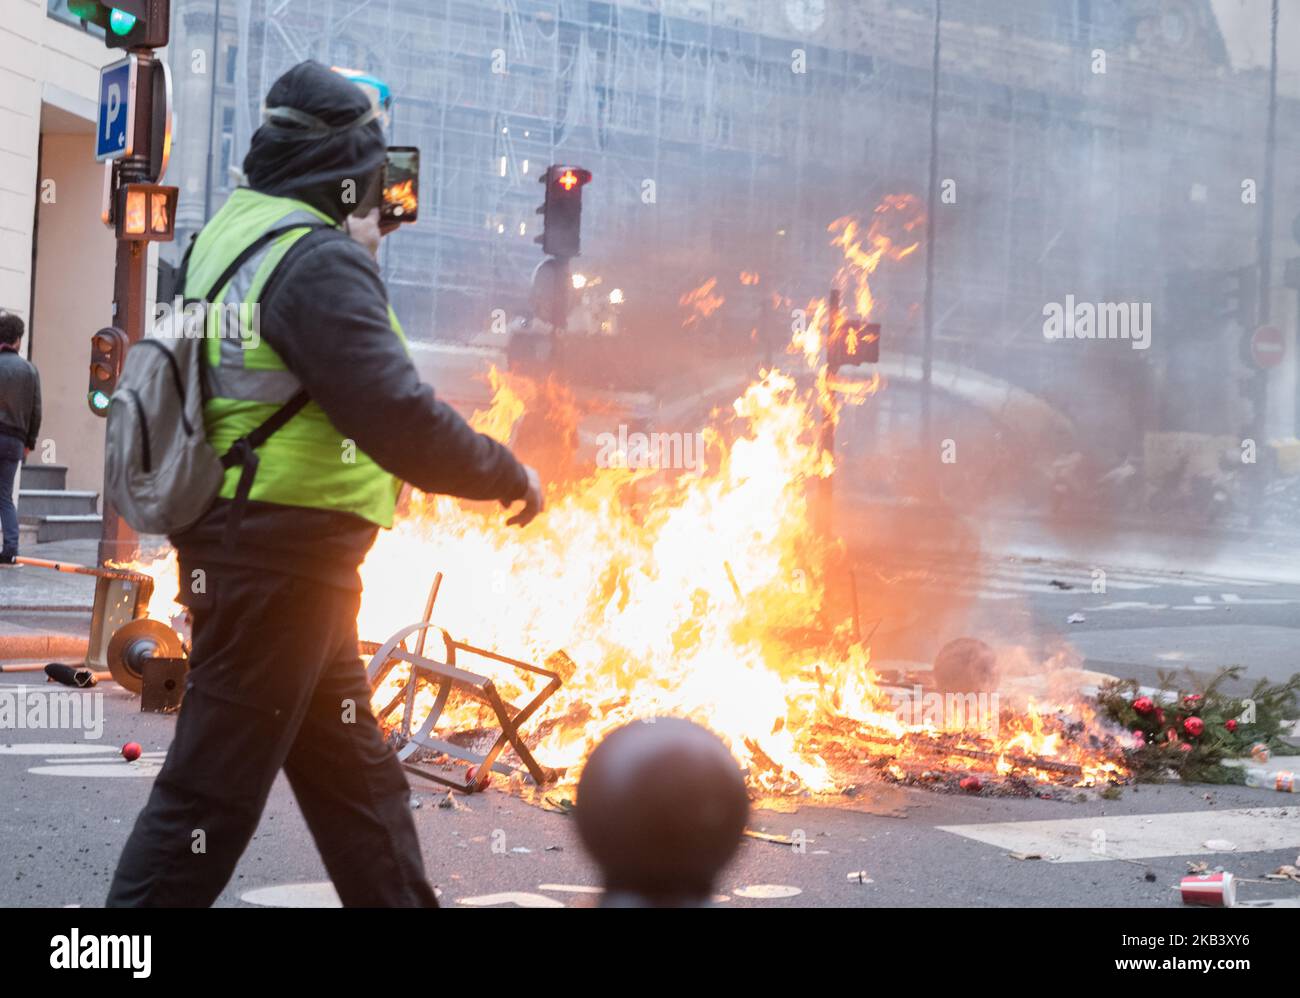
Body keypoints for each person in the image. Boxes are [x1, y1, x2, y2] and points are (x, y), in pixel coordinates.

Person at [107, 61, 543, 907]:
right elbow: (397, 415)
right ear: (343, 162)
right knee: (206, 803)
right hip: (277, 560)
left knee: (358, 789)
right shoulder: (314, 261)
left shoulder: (231, 234)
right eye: (372, 165)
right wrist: (504, 471)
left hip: (269, 556)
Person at [0, 310, 40, 565]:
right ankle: (10, 550)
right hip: (14, 441)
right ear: (18, 340)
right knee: (5, 495)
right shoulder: (29, 370)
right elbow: (37, 411)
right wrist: (29, 443)